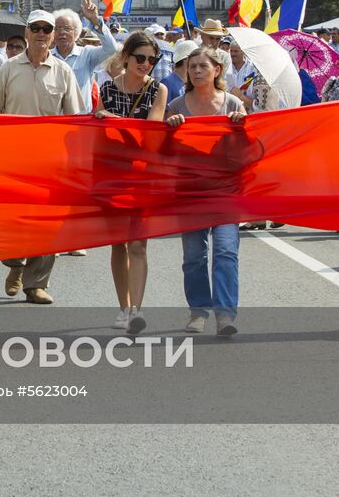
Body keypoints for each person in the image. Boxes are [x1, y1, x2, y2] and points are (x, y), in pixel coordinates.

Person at [0, 10, 84, 305]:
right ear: (26, 33)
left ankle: (36, 284)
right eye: (35, 28)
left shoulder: (63, 71)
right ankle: (15, 264)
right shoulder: (10, 68)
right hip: (13, 158)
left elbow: (74, 118)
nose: (41, 33)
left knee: (47, 223)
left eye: (46, 29)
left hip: (51, 160)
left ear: (53, 35)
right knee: (14, 220)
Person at [164, 46, 248, 337]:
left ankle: (225, 315)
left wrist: (241, 128)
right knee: (194, 255)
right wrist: (170, 129)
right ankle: (198, 311)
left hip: (225, 190)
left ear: (217, 70)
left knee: (225, 251)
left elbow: (246, 150)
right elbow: (164, 153)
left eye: (203, 66)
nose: (197, 71)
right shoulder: (175, 106)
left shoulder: (233, 104)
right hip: (189, 191)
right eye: (192, 66)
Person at [94, 31, 169, 334]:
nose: (147, 64)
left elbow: (151, 130)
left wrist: (111, 119)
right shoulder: (108, 88)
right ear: (126, 57)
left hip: (143, 174)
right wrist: (107, 120)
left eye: (152, 59)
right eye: (141, 58)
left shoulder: (158, 89)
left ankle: (136, 310)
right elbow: (99, 134)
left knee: (138, 244)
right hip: (112, 174)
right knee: (118, 245)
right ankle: (123, 308)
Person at [51, 0, 120, 111]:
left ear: (76, 32)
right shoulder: (47, 56)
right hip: (53, 121)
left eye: (67, 28)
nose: (62, 32)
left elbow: (111, 48)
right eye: (57, 29)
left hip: (80, 122)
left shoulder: (87, 54)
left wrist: (94, 20)